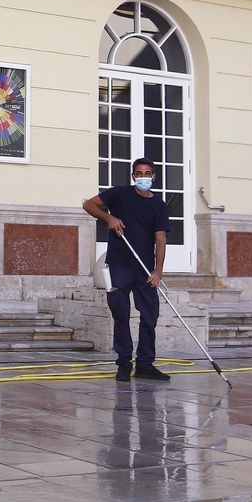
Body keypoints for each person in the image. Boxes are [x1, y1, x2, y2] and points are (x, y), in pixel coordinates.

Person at [81, 157, 171, 383]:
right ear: (133, 176)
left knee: (150, 316)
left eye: (147, 173)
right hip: (119, 266)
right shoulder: (119, 194)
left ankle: (145, 364)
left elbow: (160, 240)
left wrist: (158, 271)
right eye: (138, 173)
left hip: (144, 269)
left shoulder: (158, 206)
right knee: (120, 315)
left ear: (154, 177)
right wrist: (108, 217)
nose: (143, 177)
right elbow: (88, 204)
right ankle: (123, 364)